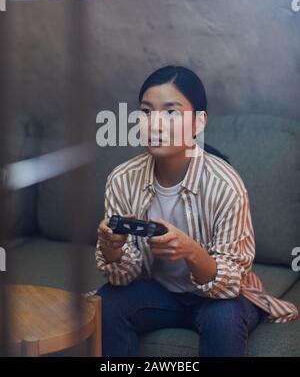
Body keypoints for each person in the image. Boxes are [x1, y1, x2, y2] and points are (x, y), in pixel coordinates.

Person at [95, 65, 298, 357]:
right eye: (146, 112)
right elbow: (122, 276)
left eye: (171, 112)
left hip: (218, 298)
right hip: (159, 292)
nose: (155, 124)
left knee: (224, 318)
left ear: (198, 122)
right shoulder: (122, 179)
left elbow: (230, 285)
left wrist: (191, 251)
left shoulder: (226, 184)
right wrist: (111, 249)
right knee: (108, 303)